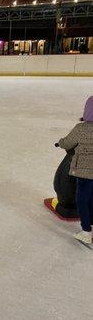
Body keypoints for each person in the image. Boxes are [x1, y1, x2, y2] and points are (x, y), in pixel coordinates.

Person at [58, 96, 93, 244]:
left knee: (82, 200)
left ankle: (86, 231)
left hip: (84, 173)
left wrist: (60, 143)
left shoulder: (81, 128)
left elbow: (67, 143)